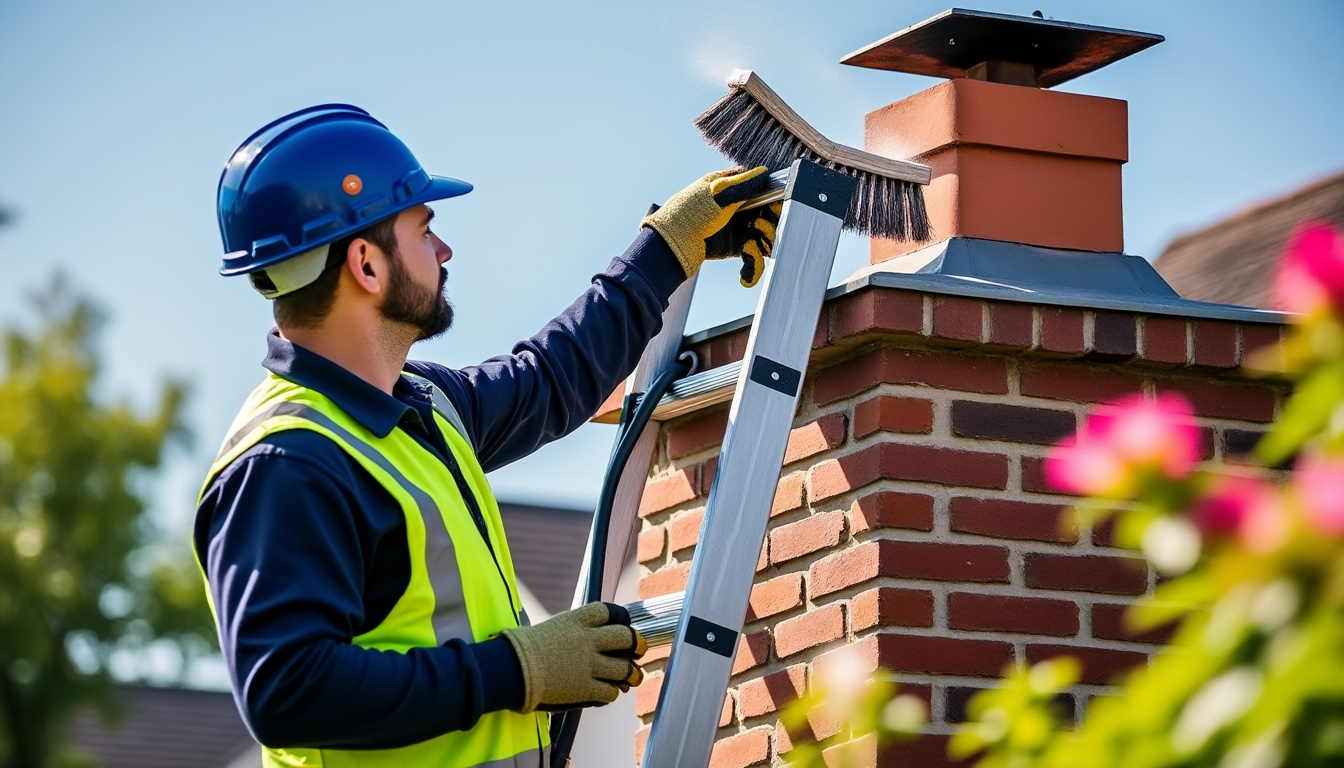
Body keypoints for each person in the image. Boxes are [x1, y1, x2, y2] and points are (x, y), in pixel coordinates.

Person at [193, 104, 779, 767]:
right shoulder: (289, 461)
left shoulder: (423, 406)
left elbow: (550, 378)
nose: (444, 251)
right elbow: (287, 691)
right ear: (366, 264)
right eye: (423, 229)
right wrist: (516, 669)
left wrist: (669, 248)